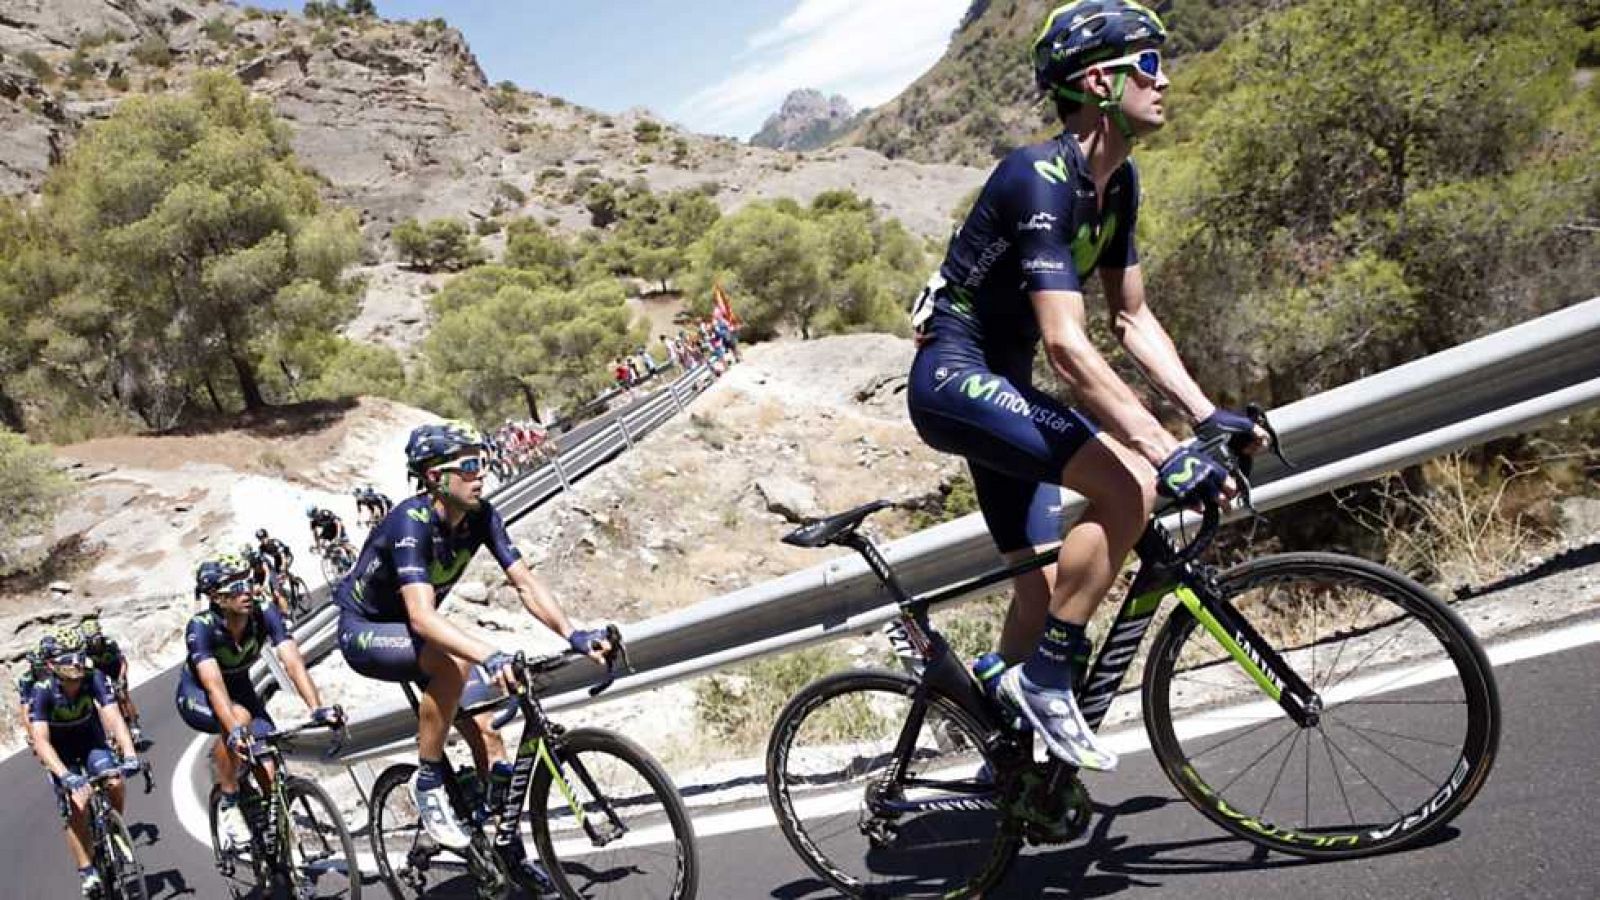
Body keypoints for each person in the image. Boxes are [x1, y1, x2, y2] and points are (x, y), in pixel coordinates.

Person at [905, 0, 1266, 772]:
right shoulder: (1035, 178)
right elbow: (1069, 348)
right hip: (953, 377)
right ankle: (1046, 678)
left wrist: (1207, 417)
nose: (1163, 78)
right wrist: (1164, 450)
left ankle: (1004, 760)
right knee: (1130, 483)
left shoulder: (1118, 183)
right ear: (1099, 81)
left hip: (998, 381)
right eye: (1147, 63)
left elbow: (1131, 318)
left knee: (1039, 588)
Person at [335, 421, 611, 862]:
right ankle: (427, 782)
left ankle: (505, 855)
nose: (480, 473)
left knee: (489, 738)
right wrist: (490, 653)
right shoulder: (411, 522)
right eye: (467, 465)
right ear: (434, 477)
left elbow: (524, 583)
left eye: (481, 461)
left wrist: (573, 633)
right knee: (454, 664)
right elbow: (422, 618)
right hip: (366, 631)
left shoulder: (482, 515)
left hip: (415, 631)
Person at [175, 553, 343, 852]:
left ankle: (280, 847)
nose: (247, 591)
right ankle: (228, 801)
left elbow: (292, 662)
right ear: (215, 595)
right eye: (235, 586)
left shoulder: (263, 611)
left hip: (239, 688)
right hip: (198, 695)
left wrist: (316, 708)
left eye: (248, 581)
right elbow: (214, 686)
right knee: (238, 719)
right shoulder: (201, 626)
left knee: (268, 763)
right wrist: (235, 730)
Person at [29, 626, 142, 897]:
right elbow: (41, 740)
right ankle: (87, 871)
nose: (76, 663)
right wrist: (64, 775)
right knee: (77, 804)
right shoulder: (42, 690)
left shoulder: (95, 677)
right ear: (51, 664)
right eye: (68, 659)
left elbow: (114, 717)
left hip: (91, 741)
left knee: (115, 781)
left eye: (79, 656)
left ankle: (113, 826)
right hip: (60, 751)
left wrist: (129, 753)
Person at [76, 619, 143, 747]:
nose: (93, 642)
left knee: (123, 695)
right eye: (89, 639)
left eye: (95, 638)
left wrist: (121, 678)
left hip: (115, 671)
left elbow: (123, 662)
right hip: (99, 676)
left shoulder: (109, 644)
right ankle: (111, 734)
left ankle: (135, 726)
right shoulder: (85, 651)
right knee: (101, 705)